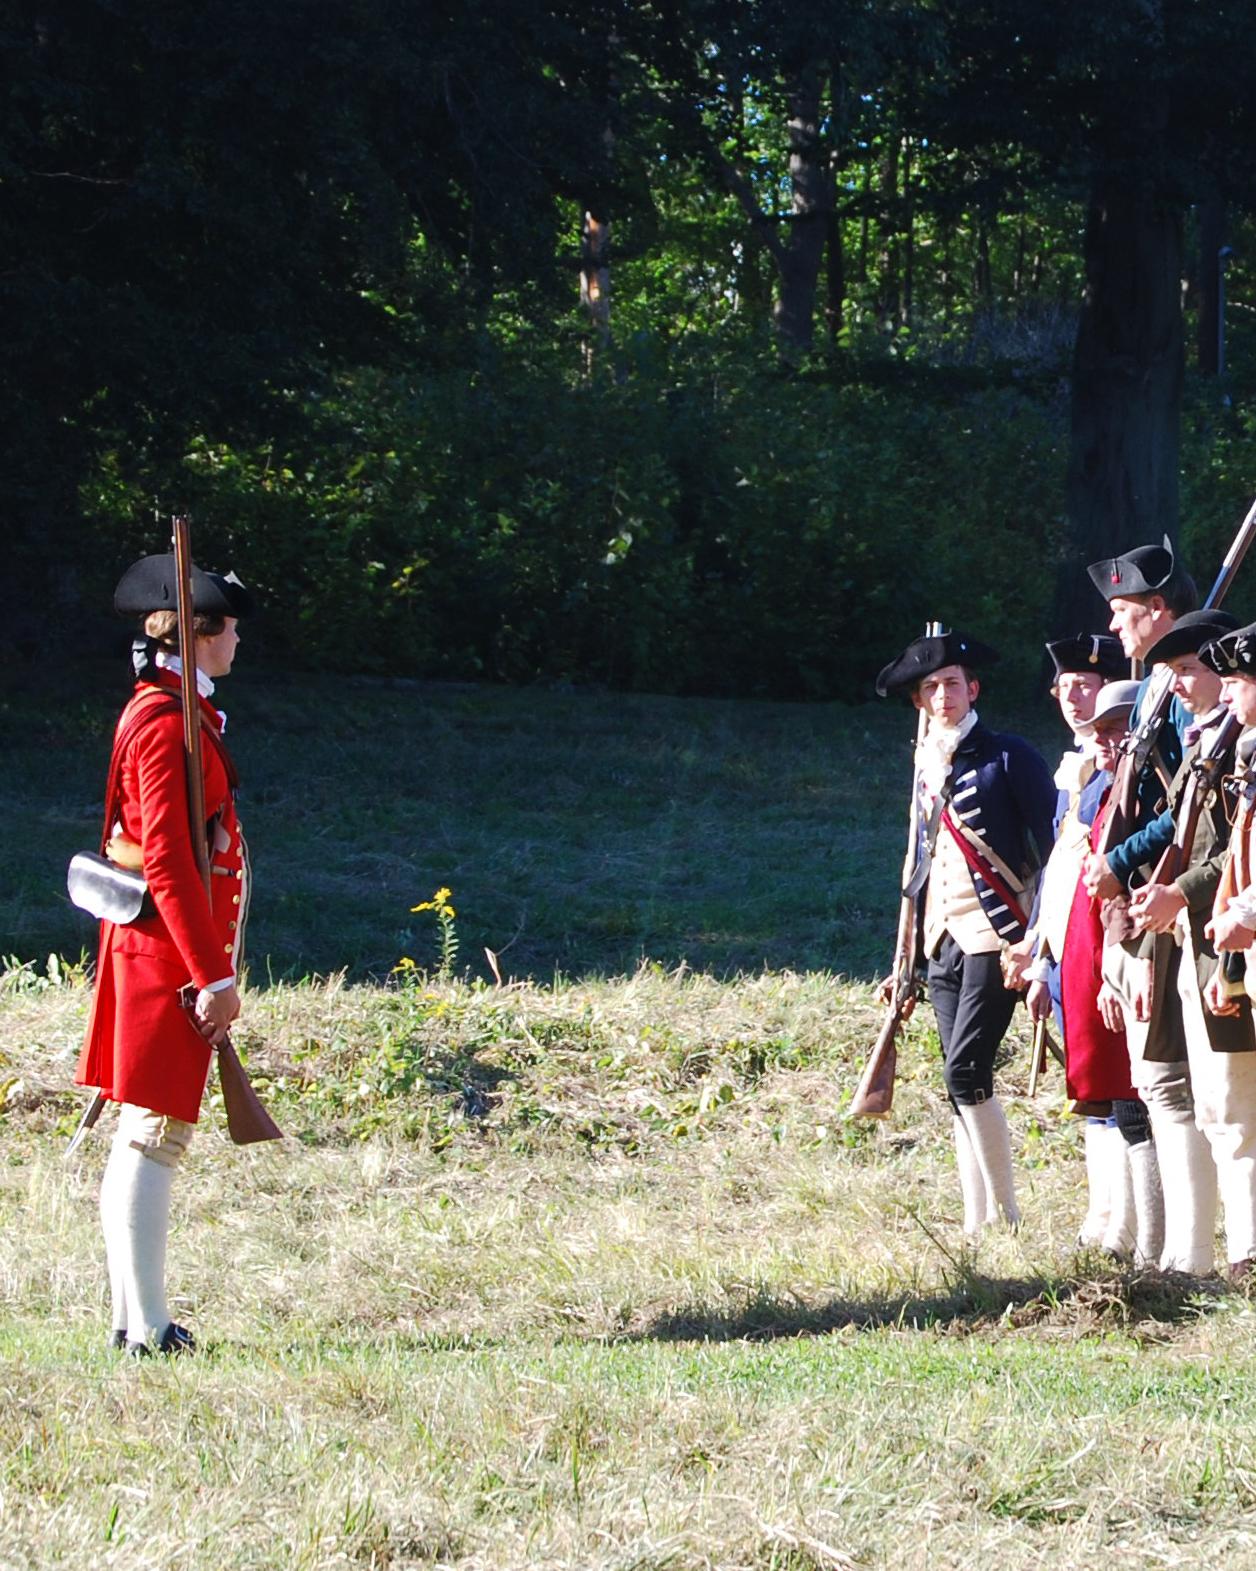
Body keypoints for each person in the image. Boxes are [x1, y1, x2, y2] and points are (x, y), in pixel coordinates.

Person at [75, 552, 252, 1355]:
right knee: (155, 1133)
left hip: (161, 946)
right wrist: (210, 972)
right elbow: (171, 862)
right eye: (231, 625)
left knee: (145, 1134)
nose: (240, 638)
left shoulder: (180, 713)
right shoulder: (164, 721)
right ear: (201, 633)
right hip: (164, 954)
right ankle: (145, 1327)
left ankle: (132, 1319)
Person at [876, 630, 1056, 1234]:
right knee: (960, 1082)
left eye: (952, 683)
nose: (943, 694)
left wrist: (1042, 941)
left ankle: (1006, 1218)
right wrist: (904, 958)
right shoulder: (926, 768)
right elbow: (917, 867)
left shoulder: (1008, 756)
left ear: (972, 688)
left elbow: (1056, 850)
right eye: (931, 687)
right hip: (939, 938)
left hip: (997, 933)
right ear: (921, 702)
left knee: (964, 1072)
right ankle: (975, 1222)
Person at [1080, 539, 1198, 1265]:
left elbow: (1185, 805)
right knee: (1152, 1083)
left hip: (1163, 887)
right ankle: (1161, 1247)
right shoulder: (1157, 681)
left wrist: (1117, 860)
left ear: (1159, 609)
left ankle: (1184, 1252)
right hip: (1139, 893)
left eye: (1126, 613)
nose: (1117, 628)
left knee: (1171, 1083)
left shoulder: (1185, 687)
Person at [1027, 681, 1143, 1253]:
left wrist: (1117, 967)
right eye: (1098, 730)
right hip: (1077, 950)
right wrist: (1038, 950)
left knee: (1137, 1098)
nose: (1103, 739)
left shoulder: (1138, 793)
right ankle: (1108, 1220)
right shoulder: (1093, 787)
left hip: (1119, 955)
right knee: (1100, 1097)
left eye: (1116, 728)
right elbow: (1062, 875)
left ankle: (1136, 1233)